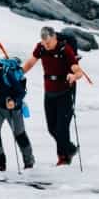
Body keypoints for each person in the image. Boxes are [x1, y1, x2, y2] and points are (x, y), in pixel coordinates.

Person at [30, 25, 84, 165]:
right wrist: (19, 73)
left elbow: (77, 70)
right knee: (52, 128)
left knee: (62, 127)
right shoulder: (40, 48)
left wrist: (74, 76)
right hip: (49, 93)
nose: (46, 46)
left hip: (65, 92)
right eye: (44, 43)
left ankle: (63, 158)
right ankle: (70, 149)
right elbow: (30, 62)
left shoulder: (64, 49)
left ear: (54, 37)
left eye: (48, 42)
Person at [0, 52, 34, 172]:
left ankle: (29, 161)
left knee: (19, 134)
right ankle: (0, 163)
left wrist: (14, 102)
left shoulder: (7, 74)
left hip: (12, 109)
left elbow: (21, 92)